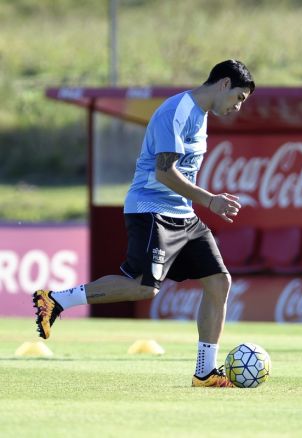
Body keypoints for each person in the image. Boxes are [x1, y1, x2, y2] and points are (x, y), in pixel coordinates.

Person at [32, 59, 255, 387]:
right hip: (152, 210)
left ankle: (205, 372)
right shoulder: (177, 110)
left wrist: (199, 203)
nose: (237, 107)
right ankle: (57, 300)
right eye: (239, 98)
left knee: (219, 282)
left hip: (183, 215)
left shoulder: (202, 116)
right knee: (142, 285)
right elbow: (164, 173)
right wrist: (209, 200)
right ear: (224, 84)